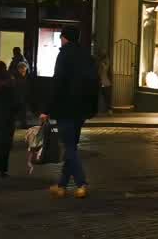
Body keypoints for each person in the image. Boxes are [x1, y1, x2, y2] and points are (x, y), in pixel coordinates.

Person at [39, 27, 99, 199]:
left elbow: (57, 83)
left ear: (64, 38)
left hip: (65, 108)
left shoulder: (64, 55)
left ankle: (82, 183)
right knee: (71, 146)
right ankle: (61, 186)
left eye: (61, 37)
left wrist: (46, 109)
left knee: (69, 147)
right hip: (81, 109)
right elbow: (94, 83)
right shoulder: (87, 56)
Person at [12, 61, 33, 129]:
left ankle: (23, 124)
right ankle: (19, 124)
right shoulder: (16, 76)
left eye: (25, 69)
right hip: (18, 96)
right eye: (23, 69)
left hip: (23, 95)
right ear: (19, 69)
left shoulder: (25, 75)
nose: (24, 71)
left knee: (23, 111)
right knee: (19, 111)